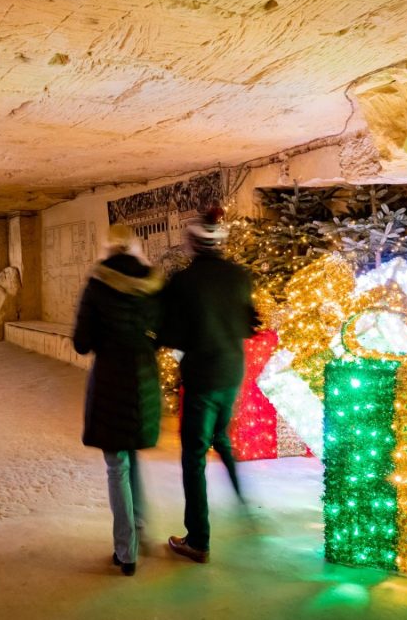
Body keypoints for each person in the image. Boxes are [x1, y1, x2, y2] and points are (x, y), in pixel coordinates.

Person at [160, 206, 259, 563]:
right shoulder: (240, 276)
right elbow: (251, 324)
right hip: (232, 372)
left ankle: (198, 540)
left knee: (194, 456)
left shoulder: (183, 282)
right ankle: (244, 502)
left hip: (201, 377)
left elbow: (169, 334)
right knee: (223, 437)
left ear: (193, 243)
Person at [72, 224, 164, 576]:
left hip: (110, 380)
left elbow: (82, 342)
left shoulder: (97, 284)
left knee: (117, 466)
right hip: (143, 380)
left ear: (108, 249)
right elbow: (160, 333)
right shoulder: (154, 283)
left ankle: (126, 551)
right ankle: (139, 528)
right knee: (133, 454)